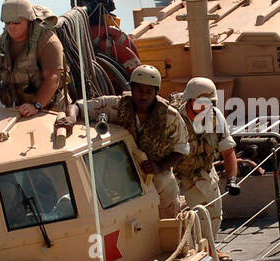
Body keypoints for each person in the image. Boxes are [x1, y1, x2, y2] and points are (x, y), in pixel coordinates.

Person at [55, 65, 188, 217]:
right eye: (139, 91)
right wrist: (72, 118)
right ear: (131, 89)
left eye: (148, 92)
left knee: (168, 200)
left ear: (156, 93)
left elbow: (181, 149)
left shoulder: (170, 116)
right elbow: (78, 106)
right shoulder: (116, 106)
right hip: (121, 172)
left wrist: (159, 167)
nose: (143, 96)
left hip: (156, 173)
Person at [0, 0, 66, 116]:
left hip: (49, 110)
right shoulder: (0, 43)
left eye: (16, 22)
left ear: (28, 20)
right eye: (7, 22)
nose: (11, 26)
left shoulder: (48, 42)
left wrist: (36, 105)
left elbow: (53, 78)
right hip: (16, 111)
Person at [174, 77, 239, 237]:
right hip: (176, 176)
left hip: (203, 172)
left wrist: (231, 180)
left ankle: (209, 249)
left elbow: (228, 151)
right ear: (189, 101)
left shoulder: (215, 118)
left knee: (214, 215)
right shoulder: (174, 119)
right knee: (177, 219)